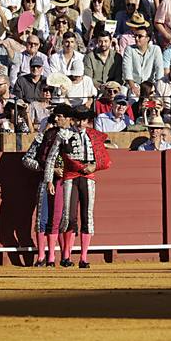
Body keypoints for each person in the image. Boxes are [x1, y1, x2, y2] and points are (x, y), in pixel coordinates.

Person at [45, 105, 111, 268]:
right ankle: (66, 256)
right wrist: (49, 180)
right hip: (70, 176)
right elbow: (51, 158)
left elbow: (103, 159)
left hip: (88, 177)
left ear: (87, 120)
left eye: (84, 120)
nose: (81, 123)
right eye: (78, 120)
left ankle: (83, 257)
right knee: (69, 216)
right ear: (73, 120)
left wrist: (94, 166)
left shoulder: (93, 136)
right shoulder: (64, 134)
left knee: (87, 216)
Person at [22, 102, 72, 267]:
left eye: (59, 116)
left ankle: (65, 255)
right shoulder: (44, 136)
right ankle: (42, 256)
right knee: (43, 218)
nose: (56, 119)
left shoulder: (74, 136)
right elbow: (27, 160)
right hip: (46, 181)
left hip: (67, 182)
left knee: (65, 219)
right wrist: (46, 168)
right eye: (54, 117)